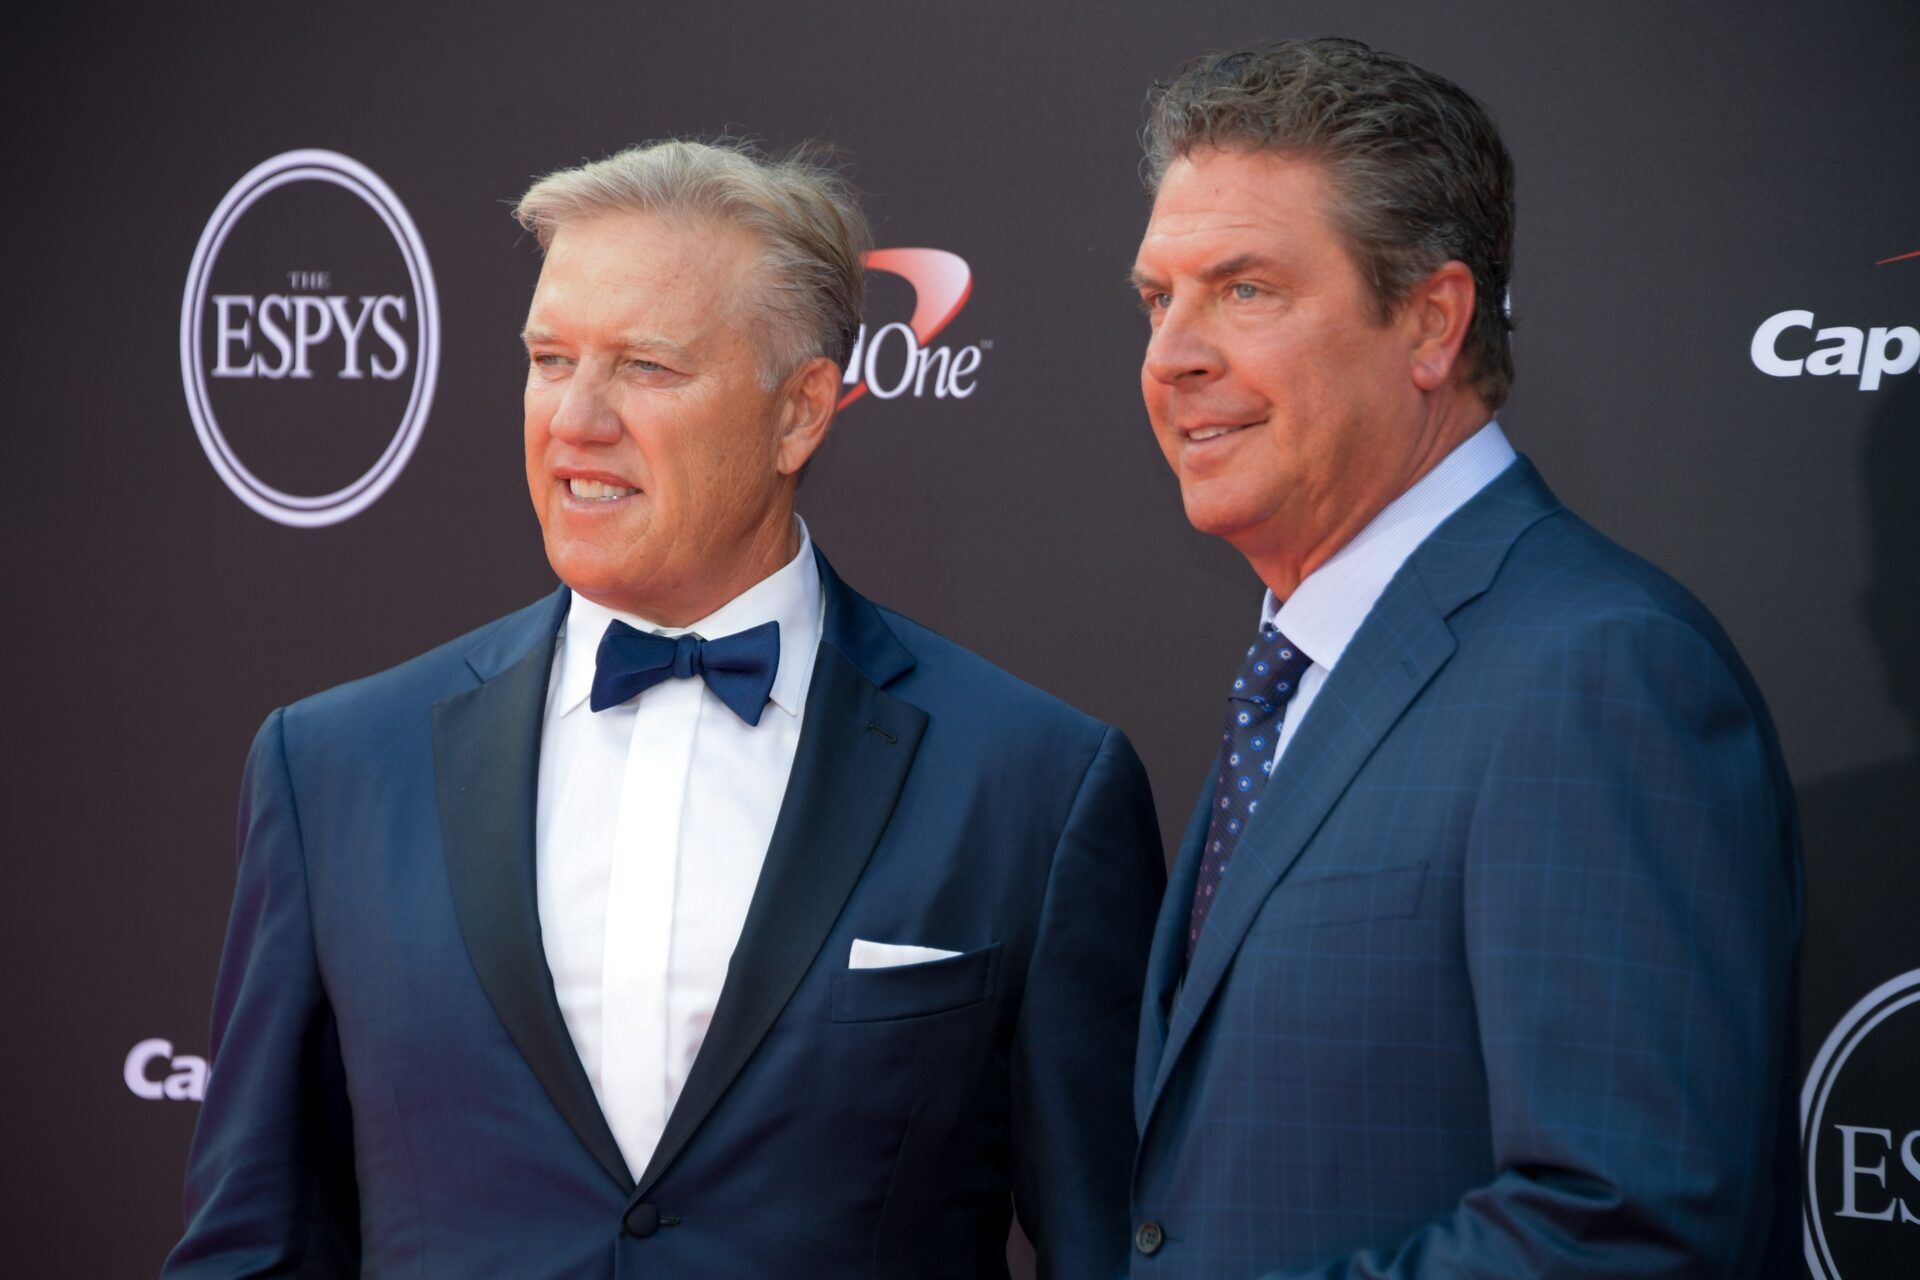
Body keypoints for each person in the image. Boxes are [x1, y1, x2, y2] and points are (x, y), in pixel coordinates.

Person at [166, 138, 1164, 1279]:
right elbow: (254, 1244)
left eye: (646, 366)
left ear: (799, 414)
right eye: (549, 359)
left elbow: (1111, 1248)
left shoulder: (1031, 782)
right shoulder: (334, 766)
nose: (575, 419)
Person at [1125, 39, 1800, 1278]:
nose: (1174, 356)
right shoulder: (1305, 663)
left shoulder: (1597, 671)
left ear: (1431, 322)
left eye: (1246, 290)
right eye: (1158, 299)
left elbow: (1625, 1224)